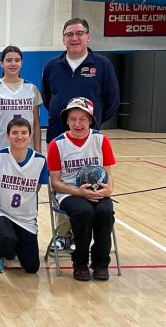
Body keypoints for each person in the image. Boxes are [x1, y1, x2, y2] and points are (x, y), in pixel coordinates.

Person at [42, 18, 120, 252]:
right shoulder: (52, 66)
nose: (74, 38)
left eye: (79, 33)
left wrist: (90, 128)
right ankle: (64, 235)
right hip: (58, 137)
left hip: (89, 140)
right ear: (63, 38)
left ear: (88, 37)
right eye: (69, 34)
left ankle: (86, 238)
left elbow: (112, 99)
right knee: (63, 185)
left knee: (91, 182)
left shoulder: (102, 65)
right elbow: (48, 98)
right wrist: (65, 122)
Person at [46, 97, 116, 281]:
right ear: (67, 121)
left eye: (82, 119)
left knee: (106, 211)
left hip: (97, 190)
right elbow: (55, 182)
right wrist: (78, 192)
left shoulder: (101, 140)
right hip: (69, 192)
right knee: (84, 212)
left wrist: (108, 190)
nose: (77, 123)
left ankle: (101, 263)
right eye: (73, 119)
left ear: (91, 120)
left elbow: (109, 174)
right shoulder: (57, 144)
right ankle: (80, 263)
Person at [0, 118, 48, 274]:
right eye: (14, 133)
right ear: (7, 135)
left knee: (32, 267)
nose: (19, 137)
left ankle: (11, 245)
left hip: (26, 218)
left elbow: (36, 188)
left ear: (30, 135)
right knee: (7, 238)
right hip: (1, 211)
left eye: (24, 133)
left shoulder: (40, 161)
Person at [0, 46, 42, 154]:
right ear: (1, 63)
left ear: (21, 63)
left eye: (17, 60)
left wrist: (38, 150)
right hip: (0, 148)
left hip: (27, 150)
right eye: (9, 60)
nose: (13, 64)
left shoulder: (31, 88)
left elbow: (36, 123)